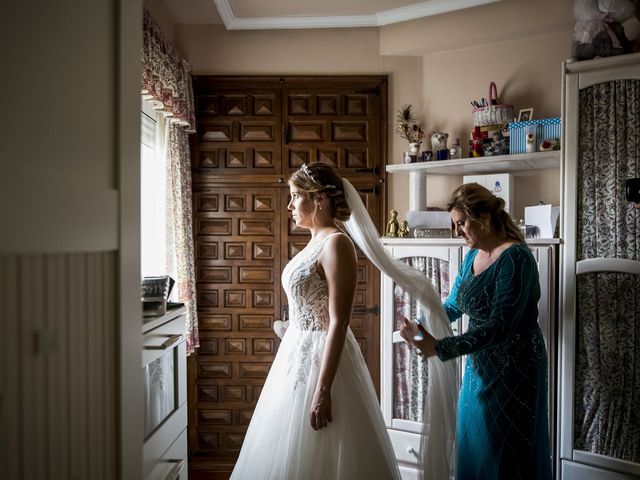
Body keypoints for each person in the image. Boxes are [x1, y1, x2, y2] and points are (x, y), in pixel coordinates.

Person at [230, 162, 402, 480]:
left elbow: (338, 321)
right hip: (297, 354)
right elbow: (310, 305)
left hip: (322, 361)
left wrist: (323, 390)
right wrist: (290, 327)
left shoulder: (337, 244)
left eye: (296, 196)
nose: (290, 205)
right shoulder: (314, 241)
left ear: (319, 199)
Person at [400, 183, 552, 480]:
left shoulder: (517, 258)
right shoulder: (472, 256)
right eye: (454, 225)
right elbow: (455, 304)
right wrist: (420, 325)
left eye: (461, 223)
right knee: (473, 441)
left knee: (504, 449)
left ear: (483, 217)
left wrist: (442, 347)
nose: (457, 232)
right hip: (479, 365)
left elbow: (501, 327)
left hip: (515, 369)